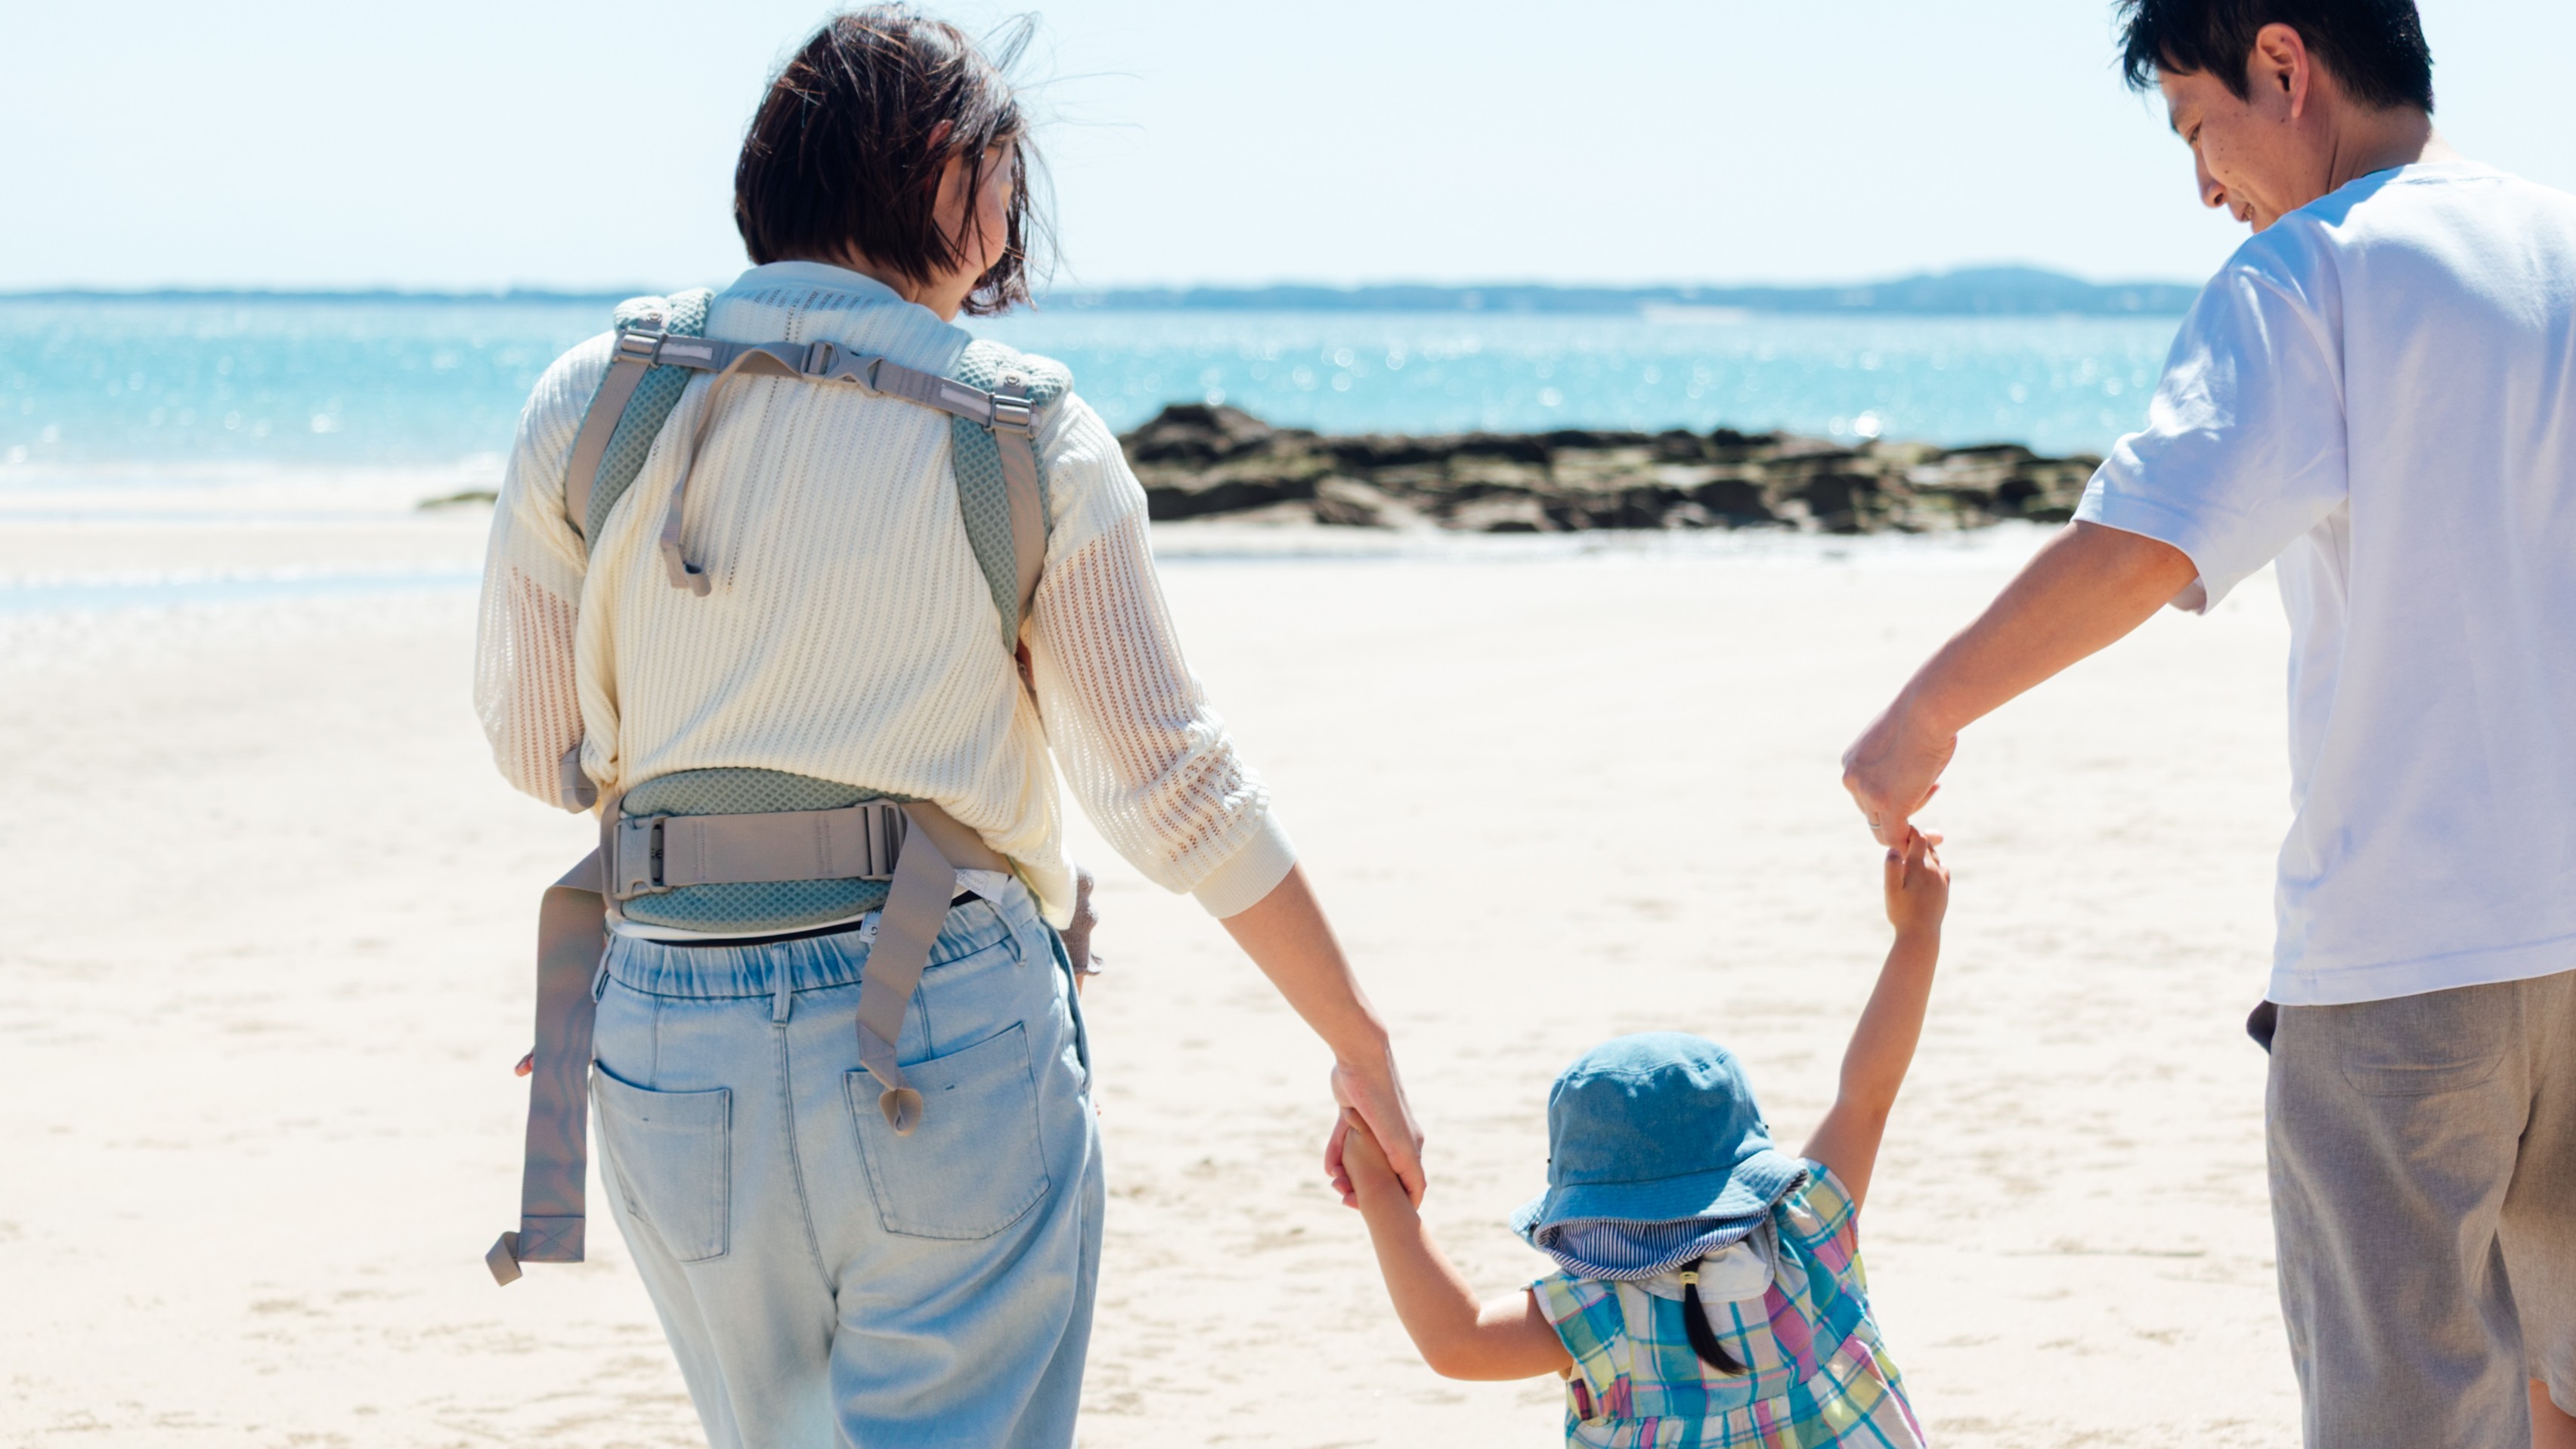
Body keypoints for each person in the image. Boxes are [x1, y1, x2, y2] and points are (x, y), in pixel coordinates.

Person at [471, 10, 1422, 1445]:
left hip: (663, 1013)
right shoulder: (1017, 429)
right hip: (939, 1015)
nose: (1011, 218)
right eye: (1005, 174)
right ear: (944, 177)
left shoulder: (596, 395)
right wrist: (1358, 1039)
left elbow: (533, 744)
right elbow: (1175, 791)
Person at [1840, 2, 2576, 1444]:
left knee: (2403, 1412)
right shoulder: (2559, 244)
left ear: (2283, 66)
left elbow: (2147, 538)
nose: (2201, 186)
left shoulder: (2312, 271)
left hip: (2401, 964)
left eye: (2195, 124)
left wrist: (1922, 712)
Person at [1335, 832, 1949, 1447]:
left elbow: (1457, 1340)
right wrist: (1916, 933)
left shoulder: (1598, 1310)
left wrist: (1376, 1171)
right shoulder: (1807, 1231)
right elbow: (1865, 1096)